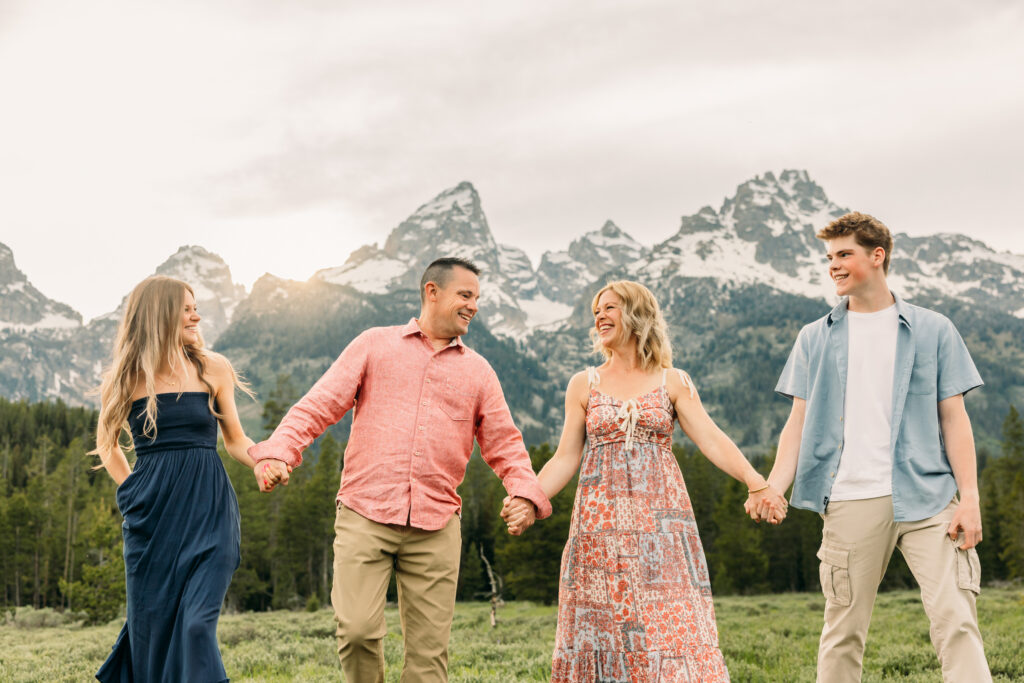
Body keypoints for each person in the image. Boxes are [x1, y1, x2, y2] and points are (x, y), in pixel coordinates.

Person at [252, 257, 551, 683]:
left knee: (428, 661)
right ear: (432, 291)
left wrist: (523, 492)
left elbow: (506, 444)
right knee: (356, 632)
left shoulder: (479, 372)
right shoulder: (375, 344)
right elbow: (320, 405)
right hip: (364, 513)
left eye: (477, 299)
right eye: (465, 295)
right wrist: (280, 451)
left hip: (436, 524)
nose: (474, 306)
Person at [502, 280, 787, 682]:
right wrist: (530, 498)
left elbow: (710, 438)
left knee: (668, 624)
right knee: (605, 626)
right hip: (599, 531)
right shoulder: (584, 384)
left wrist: (756, 482)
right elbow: (566, 457)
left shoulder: (674, 381)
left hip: (663, 531)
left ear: (637, 314)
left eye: (610, 307)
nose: (600, 315)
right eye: (596, 310)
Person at [761, 212, 991, 682]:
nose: (834, 266)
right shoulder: (814, 338)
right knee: (843, 631)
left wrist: (970, 499)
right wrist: (774, 487)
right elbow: (797, 423)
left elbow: (955, 418)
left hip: (928, 497)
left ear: (877, 256)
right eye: (830, 257)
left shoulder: (934, 329)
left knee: (956, 621)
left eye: (844, 254)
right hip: (848, 498)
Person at [92, 276, 282, 682]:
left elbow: (235, 440)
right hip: (150, 520)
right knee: (152, 632)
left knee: (196, 626)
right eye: (186, 307)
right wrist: (131, 491)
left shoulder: (212, 367)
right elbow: (107, 445)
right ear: (158, 314)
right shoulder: (125, 378)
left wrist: (261, 462)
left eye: (195, 306)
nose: (196, 315)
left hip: (209, 511)